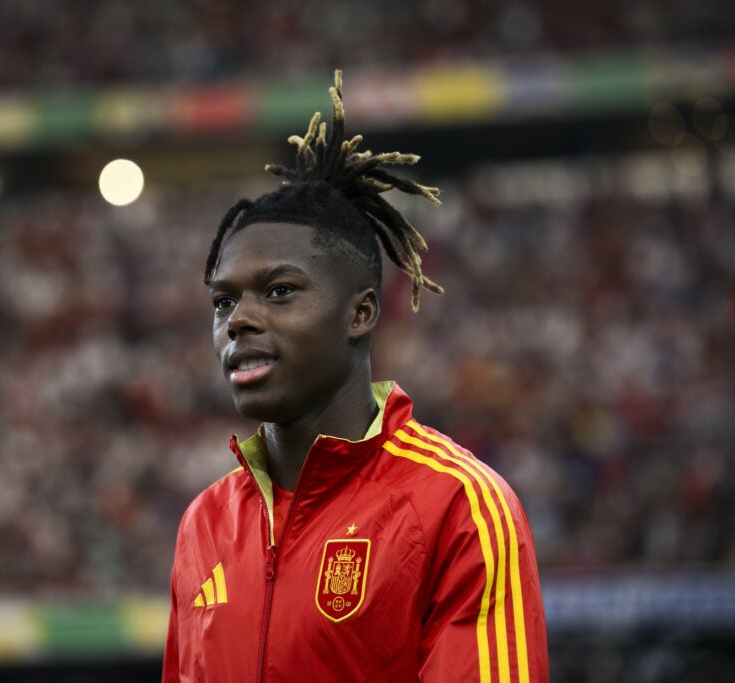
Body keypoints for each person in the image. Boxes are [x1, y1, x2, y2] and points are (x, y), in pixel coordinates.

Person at [162, 70, 548, 682]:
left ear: (361, 313)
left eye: (280, 291)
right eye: (222, 303)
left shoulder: (458, 505)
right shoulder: (203, 524)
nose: (239, 321)